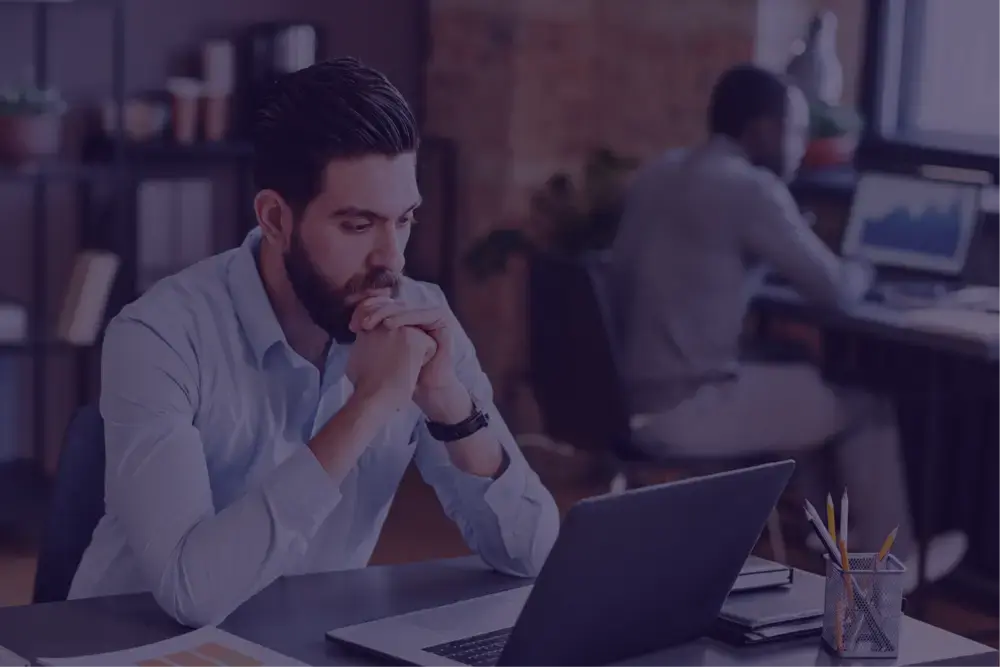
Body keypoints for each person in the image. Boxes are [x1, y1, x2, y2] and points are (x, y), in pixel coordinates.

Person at [68, 57, 560, 626]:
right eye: (357, 226)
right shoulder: (158, 336)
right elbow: (190, 593)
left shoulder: (419, 316)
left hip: (301, 641)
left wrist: (451, 405)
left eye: (404, 221)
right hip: (130, 646)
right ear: (276, 218)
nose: (392, 259)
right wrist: (368, 407)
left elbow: (534, 553)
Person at [608, 63, 966, 591]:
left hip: (624, 399)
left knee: (800, 376)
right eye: (796, 129)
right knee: (866, 404)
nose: (801, 146)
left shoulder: (661, 172)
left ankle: (833, 556)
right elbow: (837, 289)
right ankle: (888, 573)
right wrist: (867, 266)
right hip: (685, 410)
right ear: (761, 129)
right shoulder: (751, 189)